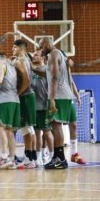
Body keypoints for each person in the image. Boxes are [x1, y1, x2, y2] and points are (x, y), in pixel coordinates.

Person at [39, 37, 73, 169]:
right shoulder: (60, 54)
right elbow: (48, 74)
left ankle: (60, 158)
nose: (41, 49)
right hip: (62, 94)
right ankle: (58, 157)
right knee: (55, 125)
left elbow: (54, 77)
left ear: (48, 44)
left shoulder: (53, 54)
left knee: (56, 124)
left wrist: (52, 98)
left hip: (58, 95)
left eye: (41, 46)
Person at [12, 39, 37, 169]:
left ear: (20, 48)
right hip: (29, 96)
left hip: (25, 96)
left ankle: (28, 159)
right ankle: (32, 157)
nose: (12, 49)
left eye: (14, 47)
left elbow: (26, 80)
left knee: (26, 129)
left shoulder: (21, 60)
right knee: (30, 129)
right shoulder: (26, 59)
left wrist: (18, 93)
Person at [31, 49, 54, 165]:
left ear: (43, 57)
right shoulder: (32, 72)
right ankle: (39, 157)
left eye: (36, 55)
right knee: (36, 133)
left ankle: (52, 155)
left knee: (47, 132)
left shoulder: (47, 69)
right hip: (34, 107)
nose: (33, 56)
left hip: (45, 106)